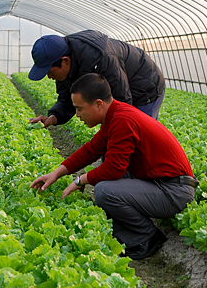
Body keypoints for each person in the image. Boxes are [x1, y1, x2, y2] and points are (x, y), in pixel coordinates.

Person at [30, 73, 198, 260]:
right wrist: (57, 173)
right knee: (111, 180)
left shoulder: (122, 120)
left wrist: (80, 180)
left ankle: (146, 237)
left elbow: (114, 168)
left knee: (104, 191)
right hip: (162, 184)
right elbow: (91, 150)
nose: (77, 115)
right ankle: (127, 232)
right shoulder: (116, 115)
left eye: (79, 109)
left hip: (173, 191)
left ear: (99, 104)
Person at [28, 30, 165, 128]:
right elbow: (67, 99)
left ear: (65, 60)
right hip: (125, 88)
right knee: (112, 142)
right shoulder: (64, 61)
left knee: (137, 137)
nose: (49, 77)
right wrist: (53, 118)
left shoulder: (101, 58)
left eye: (50, 71)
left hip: (145, 86)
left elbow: (122, 101)